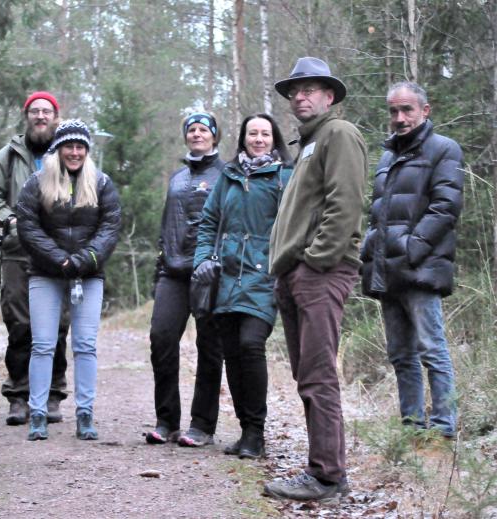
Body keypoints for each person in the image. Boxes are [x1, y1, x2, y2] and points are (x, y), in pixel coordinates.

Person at [264, 57, 367, 500]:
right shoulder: (307, 144)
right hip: (295, 274)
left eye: (310, 89)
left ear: (329, 96)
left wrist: (315, 261)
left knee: (319, 374)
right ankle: (319, 469)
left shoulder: (338, 134)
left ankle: (328, 476)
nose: (301, 97)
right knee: (307, 374)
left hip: (320, 273)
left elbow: (345, 204)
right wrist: (287, 269)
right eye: (295, 91)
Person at [361, 82, 463, 439]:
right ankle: (412, 431)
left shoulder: (443, 149)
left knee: (432, 351)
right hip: (386, 271)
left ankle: (443, 430)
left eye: (406, 110)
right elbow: (380, 213)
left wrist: (410, 248)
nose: (399, 118)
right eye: (393, 111)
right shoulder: (388, 156)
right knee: (401, 356)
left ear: (425, 110)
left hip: (420, 270)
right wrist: (370, 248)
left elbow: (445, 207)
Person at [192, 114, 293, 459]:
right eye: (253, 133)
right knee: (232, 351)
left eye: (265, 133)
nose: (259, 139)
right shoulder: (228, 177)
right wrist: (204, 259)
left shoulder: (285, 176)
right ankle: (245, 430)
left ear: (274, 138)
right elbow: (208, 222)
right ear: (243, 138)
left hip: (264, 276)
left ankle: (256, 431)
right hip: (226, 275)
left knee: (251, 345)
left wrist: (281, 267)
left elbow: (294, 226)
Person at [16, 120, 121, 441]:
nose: (74, 152)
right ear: (58, 149)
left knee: (85, 346)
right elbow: (27, 225)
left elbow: (110, 228)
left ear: (87, 151)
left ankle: (85, 413)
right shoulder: (37, 183)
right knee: (43, 344)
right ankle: (37, 414)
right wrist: (59, 258)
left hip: (88, 276)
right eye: (69, 146)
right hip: (46, 273)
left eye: (80, 147)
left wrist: (84, 259)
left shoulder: (102, 183)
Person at [0, 91, 70, 426]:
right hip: (18, 253)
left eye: (46, 111)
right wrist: (10, 218)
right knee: (20, 325)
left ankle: (52, 395)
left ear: (55, 117)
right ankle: (18, 396)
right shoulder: (9, 155)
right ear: (27, 117)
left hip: (58, 254)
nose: (40, 116)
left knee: (58, 327)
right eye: (35, 111)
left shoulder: (68, 153)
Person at [145, 112, 225, 447]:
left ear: (214, 137)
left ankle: (202, 426)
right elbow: (167, 225)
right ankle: (166, 422)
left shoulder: (226, 175)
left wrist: (217, 261)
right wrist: (160, 263)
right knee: (161, 339)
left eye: (203, 129)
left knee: (209, 348)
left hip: (209, 273)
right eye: (191, 129)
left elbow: (227, 221)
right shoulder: (176, 178)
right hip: (173, 273)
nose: (196, 134)